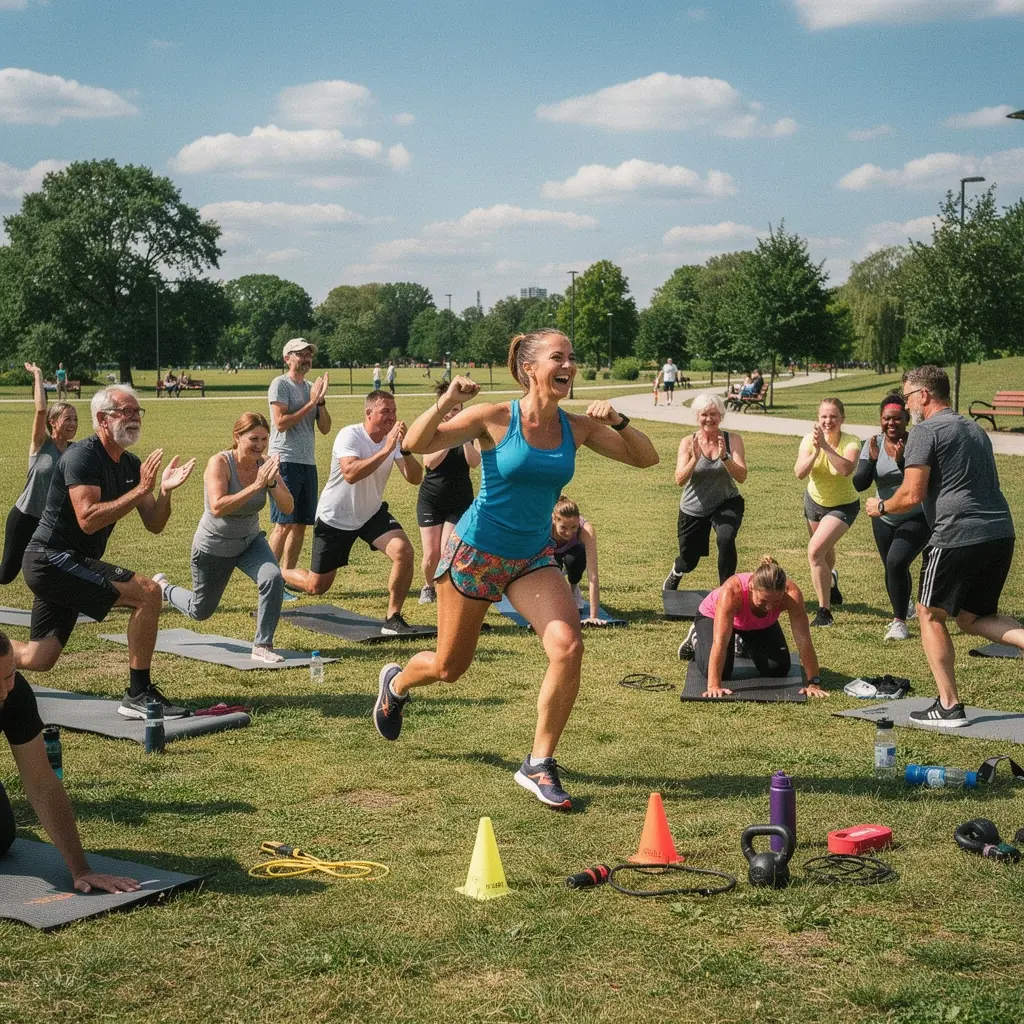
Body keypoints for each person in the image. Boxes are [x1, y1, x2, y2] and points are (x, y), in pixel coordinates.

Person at [372, 329, 659, 810]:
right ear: (530, 368)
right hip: (475, 553)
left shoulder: (577, 427)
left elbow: (646, 459)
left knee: (568, 646)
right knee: (449, 667)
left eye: (572, 356)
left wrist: (622, 420)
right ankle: (396, 684)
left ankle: (538, 763)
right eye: (557, 357)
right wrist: (447, 400)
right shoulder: (494, 417)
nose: (568, 365)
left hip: (532, 557)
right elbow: (419, 445)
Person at [13, 385, 196, 720]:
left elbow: (154, 523)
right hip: (49, 559)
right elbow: (88, 519)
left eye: (137, 412)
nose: (134, 419)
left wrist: (165, 492)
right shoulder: (82, 456)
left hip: (66, 564)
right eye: (126, 412)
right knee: (148, 593)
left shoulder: (130, 464)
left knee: (40, 658)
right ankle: (138, 694)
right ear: (101, 418)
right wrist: (141, 488)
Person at [867, 366, 1021, 727]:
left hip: (956, 535)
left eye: (907, 398)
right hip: (1000, 531)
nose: (906, 407)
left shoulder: (926, 430)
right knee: (972, 618)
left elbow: (911, 494)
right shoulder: (974, 428)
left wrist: (882, 507)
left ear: (923, 396)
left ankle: (949, 706)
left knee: (929, 613)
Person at [0, 631, 139, 893]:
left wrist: (81, 870)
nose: (2, 692)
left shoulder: (15, 695)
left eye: (8, 676)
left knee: (1, 835)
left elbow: (41, 783)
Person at [281, 390, 424, 634]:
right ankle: (279, 573)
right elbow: (350, 473)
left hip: (370, 513)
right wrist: (386, 449)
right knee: (317, 587)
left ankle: (393, 617)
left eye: (394, 411)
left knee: (403, 551)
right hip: (335, 517)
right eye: (385, 411)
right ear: (369, 414)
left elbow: (415, 478)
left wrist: (405, 449)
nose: (392, 417)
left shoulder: (393, 440)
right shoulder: (350, 435)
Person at [155, 413, 293, 663]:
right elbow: (218, 506)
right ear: (237, 437)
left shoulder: (265, 464)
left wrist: (271, 483)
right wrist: (255, 486)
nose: (260, 445)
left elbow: (288, 507)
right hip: (214, 545)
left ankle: (262, 645)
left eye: (264, 439)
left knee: (273, 577)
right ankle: (164, 589)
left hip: (250, 542)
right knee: (200, 610)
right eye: (253, 439)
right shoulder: (219, 462)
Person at [680, 556, 827, 700]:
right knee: (722, 672)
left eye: (776, 601)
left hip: (755, 624)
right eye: (763, 601)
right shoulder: (732, 591)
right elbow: (720, 642)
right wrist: (713, 686)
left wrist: (813, 683)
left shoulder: (792, 595)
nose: (769, 607)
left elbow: (803, 640)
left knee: (777, 669)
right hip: (712, 616)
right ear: (751, 588)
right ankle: (695, 637)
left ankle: (741, 642)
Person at [853, 394, 929, 641]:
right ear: (880, 420)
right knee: (892, 567)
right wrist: (873, 461)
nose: (891, 423)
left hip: (916, 516)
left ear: (907, 419)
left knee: (896, 562)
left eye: (897, 418)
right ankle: (904, 603)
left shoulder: (917, 442)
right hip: (883, 516)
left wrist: (902, 460)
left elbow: (920, 482)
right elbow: (860, 483)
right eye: (887, 418)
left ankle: (899, 623)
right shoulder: (872, 443)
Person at [1, 363, 78, 585]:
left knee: (58, 566)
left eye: (75, 419)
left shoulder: (75, 452)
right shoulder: (41, 444)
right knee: (6, 575)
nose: (72, 423)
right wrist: (38, 375)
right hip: (25, 517)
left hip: (51, 523)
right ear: (53, 423)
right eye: (67, 418)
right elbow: (41, 410)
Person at [664, 393, 747, 590]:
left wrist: (725, 457)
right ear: (697, 417)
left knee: (726, 538)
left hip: (726, 501)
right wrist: (695, 458)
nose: (709, 419)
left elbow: (742, 476)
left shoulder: (733, 439)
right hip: (694, 507)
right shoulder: (687, 442)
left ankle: (725, 592)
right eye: (704, 415)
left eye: (713, 414)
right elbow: (679, 480)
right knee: (689, 560)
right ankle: (677, 571)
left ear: (721, 416)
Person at [267, 338, 331, 587]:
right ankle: (270, 582)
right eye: (300, 354)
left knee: (302, 524)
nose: (306, 358)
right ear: (287, 359)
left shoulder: (311, 388)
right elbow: (281, 423)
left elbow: (325, 428)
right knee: (284, 524)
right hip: (284, 461)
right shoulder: (280, 384)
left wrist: (321, 402)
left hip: (307, 462)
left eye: (308, 354)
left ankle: (288, 577)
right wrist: (311, 403)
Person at [794, 398, 862, 627]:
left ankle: (824, 612)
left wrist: (824, 446)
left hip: (843, 505)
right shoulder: (808, 440)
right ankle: (831, 580)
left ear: (842, 419)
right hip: (814, 502)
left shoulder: (851, 441)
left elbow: (845, 469)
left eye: (833, 416)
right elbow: (800, 473)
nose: (828, 421)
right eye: (823, 416)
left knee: (815, 552)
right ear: (817, 419)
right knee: (824, 551)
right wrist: (815, 451)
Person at [417, 381, 480, 604]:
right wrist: (447, 438)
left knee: (447, 550)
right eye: (449, 408)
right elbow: (430, 463)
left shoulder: (470, 431)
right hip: (431, 499)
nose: (452, 413)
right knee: (431, 556)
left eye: (456, 409)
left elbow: (474, 463)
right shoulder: (432, 431)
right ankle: (428, 586)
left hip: (460, 500)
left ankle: (447, 593)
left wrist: (462, 437)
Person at [550, 495, 603, 623]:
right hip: (550, 551)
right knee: (553, 575)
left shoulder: (586, 530)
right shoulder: (543, 527)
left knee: (574, 561)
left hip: (574, 551)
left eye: (573, 527)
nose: (569, 532)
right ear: (554, 520)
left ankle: (574, 587)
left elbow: (593, 575)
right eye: (563, 527)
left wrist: (593, 617)